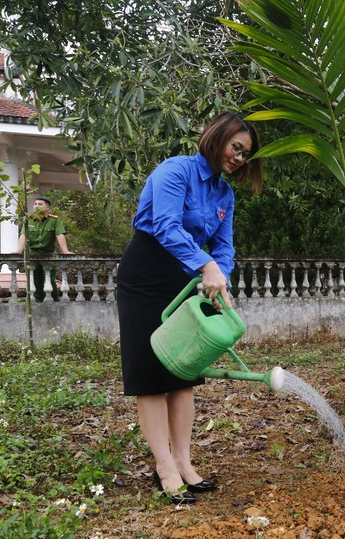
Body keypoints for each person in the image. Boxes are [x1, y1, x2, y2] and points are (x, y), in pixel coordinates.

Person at [117, 111, 264, 504]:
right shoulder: (175, 171)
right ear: (216, 138)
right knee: (150, 371)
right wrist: (207, 265)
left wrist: (220, 278)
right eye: (236, 147)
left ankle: (184, 463)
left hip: (189, 278)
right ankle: (163, 467)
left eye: (246, 154)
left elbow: (225, 246)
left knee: (185, 368)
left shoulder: (224, 194)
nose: (239, 158)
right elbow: (165, 226)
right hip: (146, 273)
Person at [15, 196, 73, 301]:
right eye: (35, 204)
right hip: (32, 254)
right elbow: (23, 235)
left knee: (50, 280)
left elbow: (59, 235)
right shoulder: (29, 219)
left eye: (40, 204)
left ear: (47, 208)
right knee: (34, 281)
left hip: (49, 254)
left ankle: (54, 303)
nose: (37, 206)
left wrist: (66, 251)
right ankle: (37, 305)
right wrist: (18, 251)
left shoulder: (54, 220)